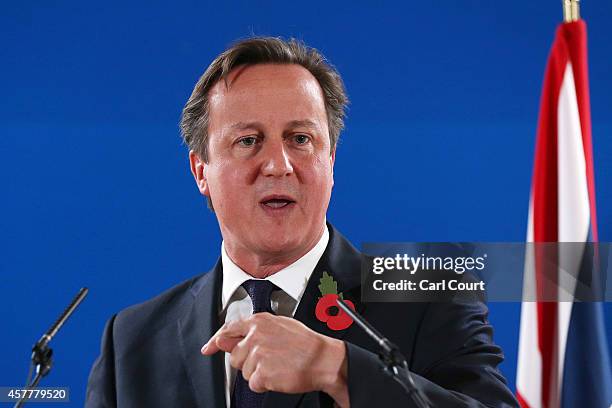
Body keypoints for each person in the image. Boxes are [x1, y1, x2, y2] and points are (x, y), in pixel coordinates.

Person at [86, 37, 519, 408]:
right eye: (248, 140)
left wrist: (339, 369)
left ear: (330, 162)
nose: (278, 165)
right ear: (201, 171)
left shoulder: (427, 289)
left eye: (300, 139)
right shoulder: (131, 339)